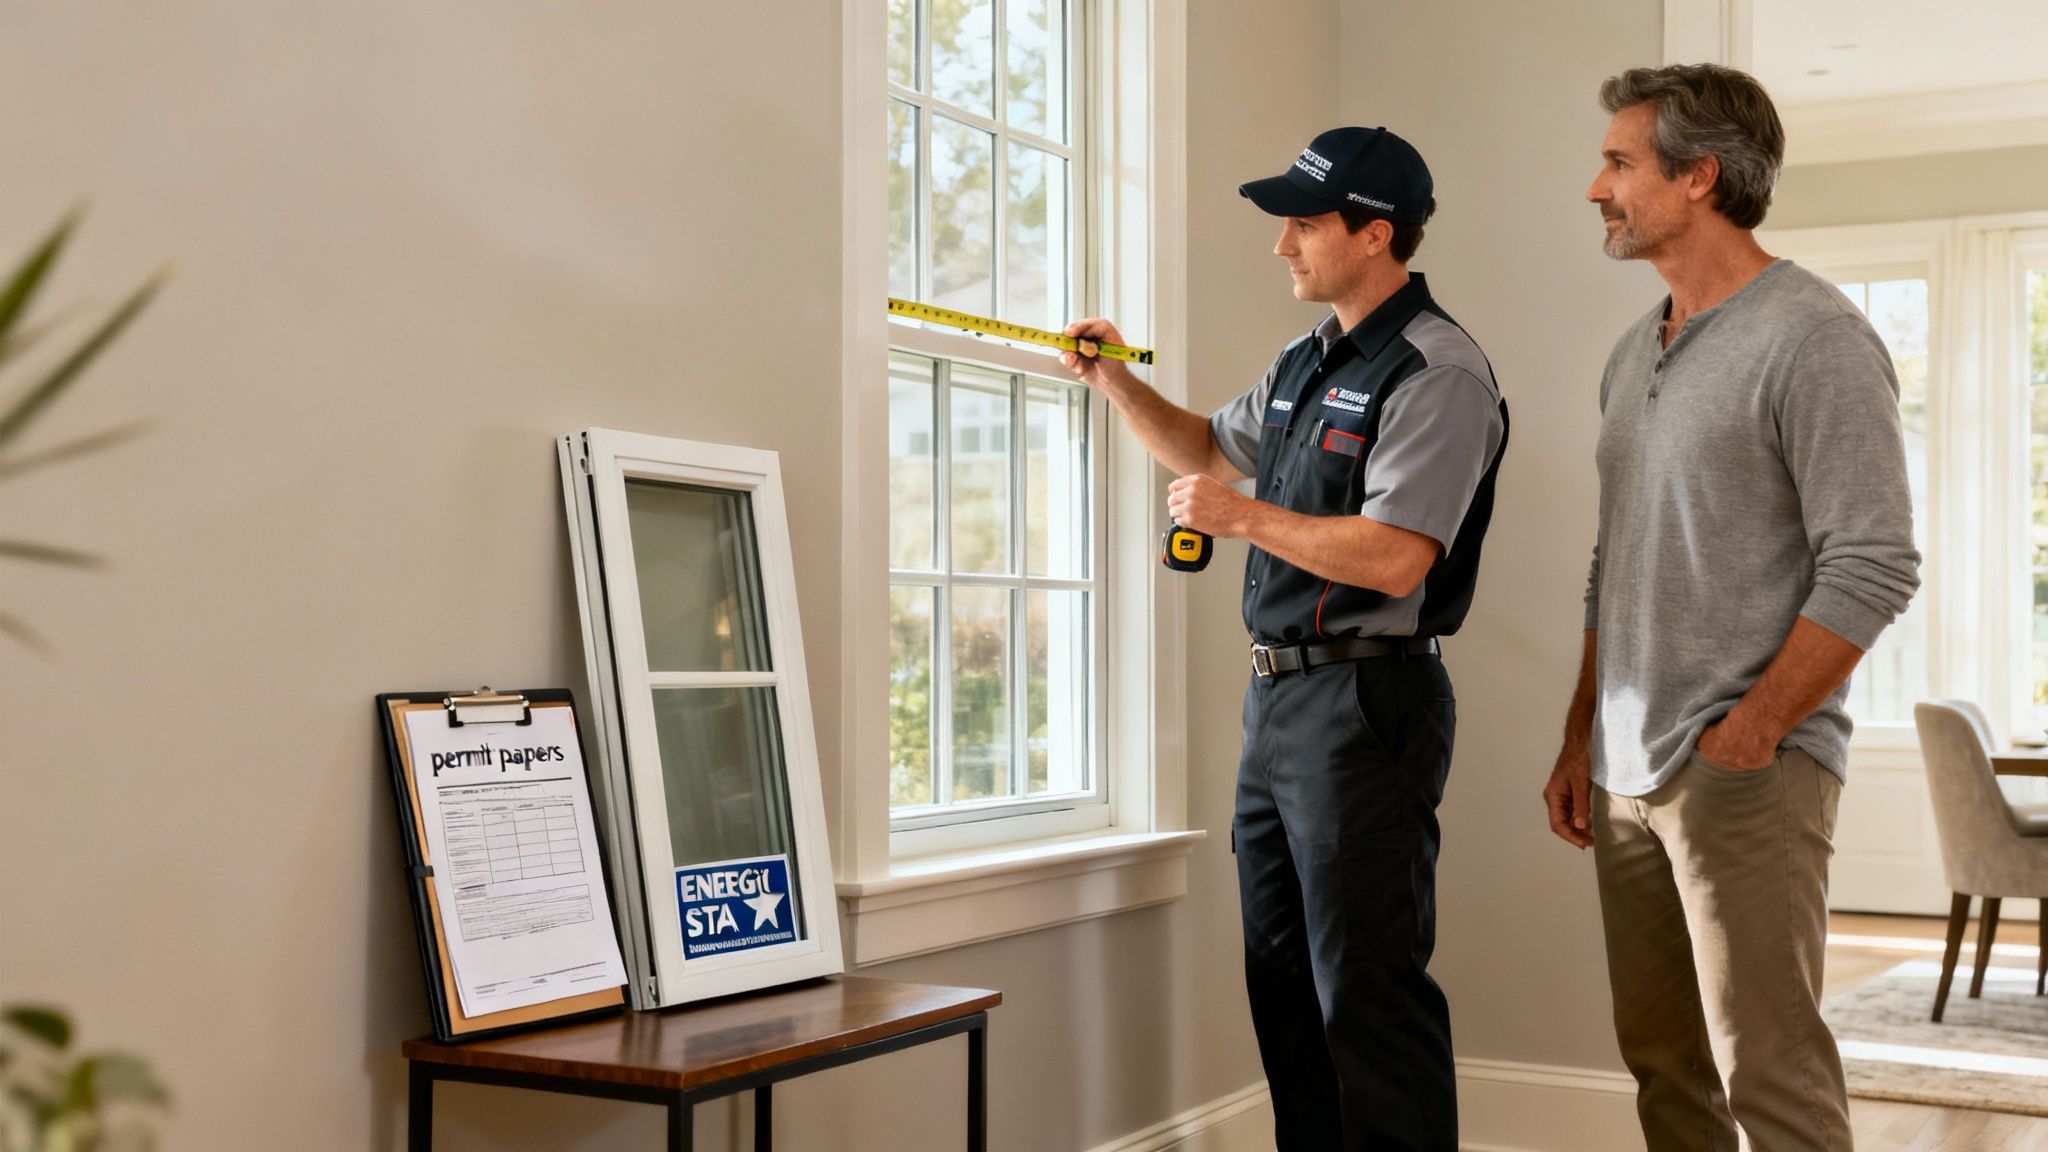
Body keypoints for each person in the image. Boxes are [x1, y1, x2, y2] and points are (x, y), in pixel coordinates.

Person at [1063, 126, 1507, 1151]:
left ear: (1375, 233)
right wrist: (1114, 379)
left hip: (1365, 704)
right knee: (1283, 982)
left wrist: (1241, 517)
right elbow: (1204, 447)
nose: (1281, 246)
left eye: (1303, 225)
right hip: (1277, 706)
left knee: (1365, 988)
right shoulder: (1306, 362)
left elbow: (1396, 558)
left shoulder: (1436, 372)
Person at [1544, 64, 1921, 1150]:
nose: (1595, 188)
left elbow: (1873, 564)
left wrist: (1748, 735)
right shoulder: (1635, 350)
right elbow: (1616, 558)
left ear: (1698, 176)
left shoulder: (1813, 336)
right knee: (1664, 1072)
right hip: (1622, 772)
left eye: (1618, 163)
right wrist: (1580, 732)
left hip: (1744, 772)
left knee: (1772, 1079)